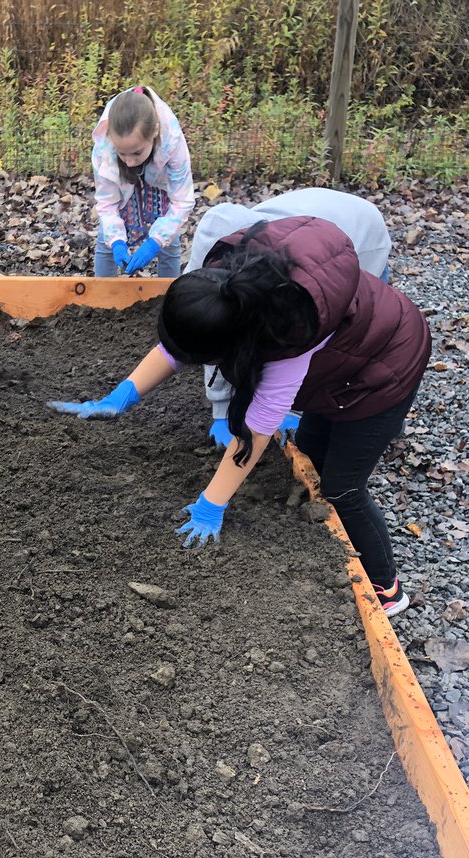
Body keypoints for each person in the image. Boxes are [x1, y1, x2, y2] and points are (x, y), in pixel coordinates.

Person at [51, 216, 431, 616]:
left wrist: (211, 503)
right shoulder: (224, 289)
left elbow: (257, 430)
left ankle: (387, 588)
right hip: (345, 359)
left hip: (383, 371)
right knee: (311, 451)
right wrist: (121, 397)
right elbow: (181, 344)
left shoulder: (289, 338)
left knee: (342, 488)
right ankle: (331, 508)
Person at [186, 188, 393, 448]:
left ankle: (382, 418)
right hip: (315, 212)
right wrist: (222, 408)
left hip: (363, 237)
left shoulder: (297, 282)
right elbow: (209, 336)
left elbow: (299, 348)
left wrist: (284, 407)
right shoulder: (216, 265)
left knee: (346, 343)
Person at [92, 86, 195, 279]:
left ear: (155, 131)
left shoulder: (172, 141)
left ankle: (168, 292)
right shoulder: (103, 148)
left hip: (160, 184)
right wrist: (116, 242)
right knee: (106, 242)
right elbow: (106, 203)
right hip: (123, 183)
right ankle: (101, 293)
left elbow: (182, 201)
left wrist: (156, 242)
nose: (130, 162)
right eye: (122, 153)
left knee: (169, 243)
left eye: (137, 152)